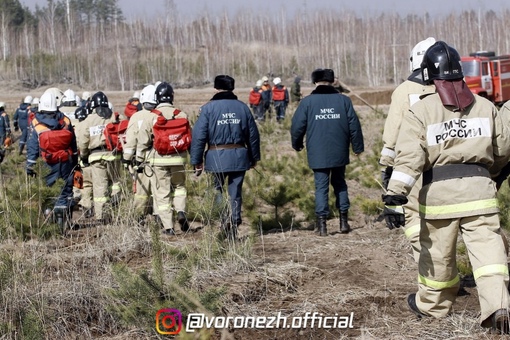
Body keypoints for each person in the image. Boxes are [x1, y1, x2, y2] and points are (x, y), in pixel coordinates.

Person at [382, 41, 510, 333]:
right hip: (480, 195)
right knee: (490, 255)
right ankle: (499, 305)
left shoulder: (422, 110)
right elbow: (502, 149)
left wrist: (396, 193)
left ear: (428, 74)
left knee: (437, 256)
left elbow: (410, 157)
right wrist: (488, 172)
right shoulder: (486, 105)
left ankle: (433, 307)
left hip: (439, 196)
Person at [379, 37, 436, 262]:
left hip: (414, 167)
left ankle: (430, 270)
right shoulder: (450, 89)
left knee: (413, 217)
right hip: (447, 165)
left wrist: (387, 166)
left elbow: (393, 132)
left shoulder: (405, 91)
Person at [291, 68, 364, 236]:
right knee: (340, 183)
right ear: (332, 81)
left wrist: (297, 144)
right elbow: (354, 125)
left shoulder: (307, 102)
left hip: (318, 152)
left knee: (321, 187)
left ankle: (322, 226)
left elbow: (297, 126)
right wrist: (358, 147)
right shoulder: (344, 101)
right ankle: (343, 222)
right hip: (339, 150)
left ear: (315, 82)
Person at [190, 75, 261, 239]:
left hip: (216, 157)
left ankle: (225, 218)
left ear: (216, 88)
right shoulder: (243, 107)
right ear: (232, 88)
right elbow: (253, 135)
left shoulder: (208, 109)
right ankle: (234, 221)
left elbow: (199, 136)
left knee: (216, 191)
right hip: (239, 156)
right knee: (235, 192)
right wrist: (253, 157)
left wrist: (196, 160)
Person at [135, 82, 191, 235]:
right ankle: (180, 211)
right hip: (179, 159)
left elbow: (142, 141)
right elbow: (190, 138)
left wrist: (139, 160)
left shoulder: (151, 116)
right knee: (179, 187)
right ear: (172, 96)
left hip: (158, 160)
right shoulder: (181, 114)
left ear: (157, 97)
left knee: (162, 193)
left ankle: (169, 227)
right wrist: (194, 158)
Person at [26, 91, 78, 221]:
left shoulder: (36, 123)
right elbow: (73, 143)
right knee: (65, 191)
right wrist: (75, 162)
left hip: (46, 163)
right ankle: (63, 223)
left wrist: (30, 166)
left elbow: (32, 147)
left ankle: (50, 222)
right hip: (65, 162)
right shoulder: (65, 120)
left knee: (47, 192)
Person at [77, 91, 121, 223]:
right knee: (116, 181)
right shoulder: (115, 116)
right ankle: (116, 202)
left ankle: (102, 216)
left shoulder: (88, 120)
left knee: (100, 186)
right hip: (114, 155)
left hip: (96, 157)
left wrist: (84, 156)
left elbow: (83, 142)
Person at [122, 84, 158, 224]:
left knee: (141, 192)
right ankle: (158, 216)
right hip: (157, 157)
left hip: (140, 158)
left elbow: (130, 141)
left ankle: (139, 217)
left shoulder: (135, 117)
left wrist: (126, 159)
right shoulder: (158, 115)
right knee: (158, 190)